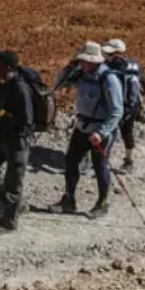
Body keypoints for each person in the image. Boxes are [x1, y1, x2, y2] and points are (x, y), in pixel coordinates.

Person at [48, 42, 123, 219]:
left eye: (84, 61)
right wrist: (69, 67)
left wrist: (102, 132)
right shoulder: (82, 74)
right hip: (81, 127)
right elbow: (58, 84)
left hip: (99, 132)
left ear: (95, 61)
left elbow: (117, 110)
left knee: (100, 166)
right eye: (81, 60)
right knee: (71, 161)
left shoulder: (109, 79)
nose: (82, 64)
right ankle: (69, 199)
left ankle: (102, 203)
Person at [0, 50, 34, 234]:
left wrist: (2, 112)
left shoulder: (20, 88)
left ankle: (9, 222)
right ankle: (13, 204)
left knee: (13, 182)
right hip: (0, 136)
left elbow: (26, 121)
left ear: (8, 67)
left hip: (17, 141)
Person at [102, 39, 145, 172]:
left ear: (116, 53)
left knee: (104, 131)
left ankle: (98, 160)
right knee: (127, 133)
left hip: (116, 105)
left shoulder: (111, 66)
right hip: (132, 106)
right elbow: (144, 85)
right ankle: (129, 161)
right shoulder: (134, 64)